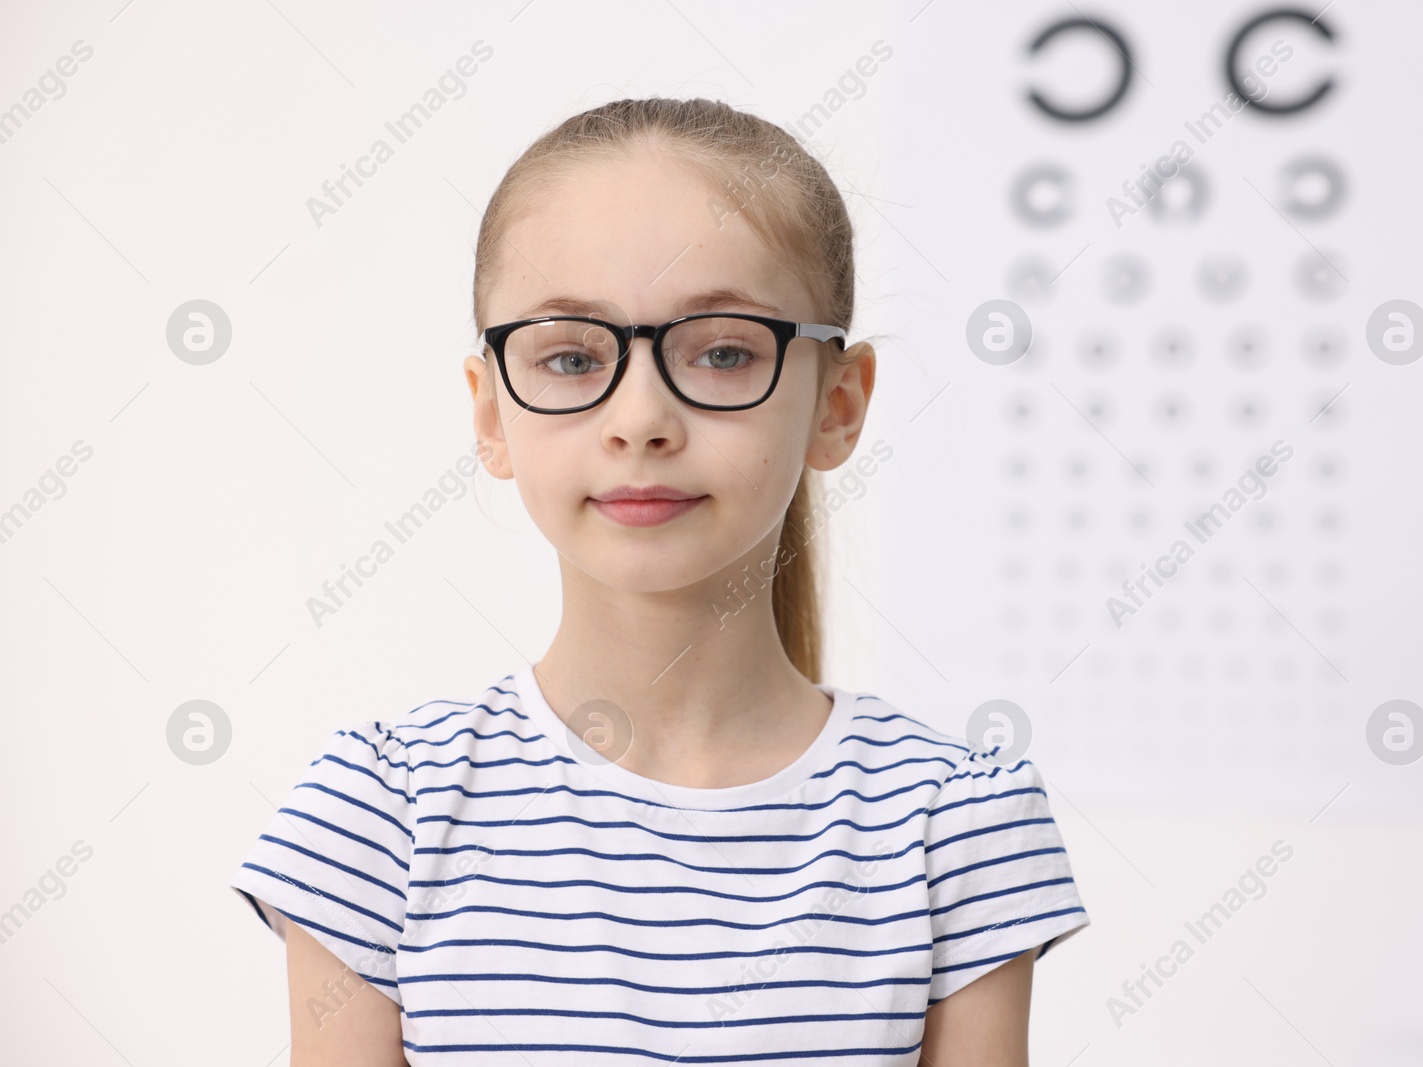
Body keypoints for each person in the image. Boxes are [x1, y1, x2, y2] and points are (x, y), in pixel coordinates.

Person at [230, 96, 1089, 1066]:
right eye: (569, 354)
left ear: (837, 404)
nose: (640, 417)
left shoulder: (951, 822)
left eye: (722, 351)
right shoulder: (378, 813)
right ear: (490, 413)